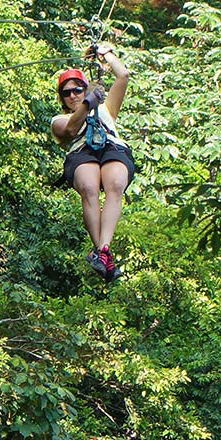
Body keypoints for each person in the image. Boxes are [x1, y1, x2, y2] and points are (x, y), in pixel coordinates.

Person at [51, 43, 136, 282]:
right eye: (67, 93)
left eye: (77, 90)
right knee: (89, 187)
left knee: (116, 184)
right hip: (82, 152)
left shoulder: (106, 111)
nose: (73, 96)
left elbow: (123, 75)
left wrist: (106, 53)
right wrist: (89, 102)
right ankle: (101, 250)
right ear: (62, 99)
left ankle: (104, 250)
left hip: (111, 147)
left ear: (84, 88)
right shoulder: (59, 119)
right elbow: (70, 129)